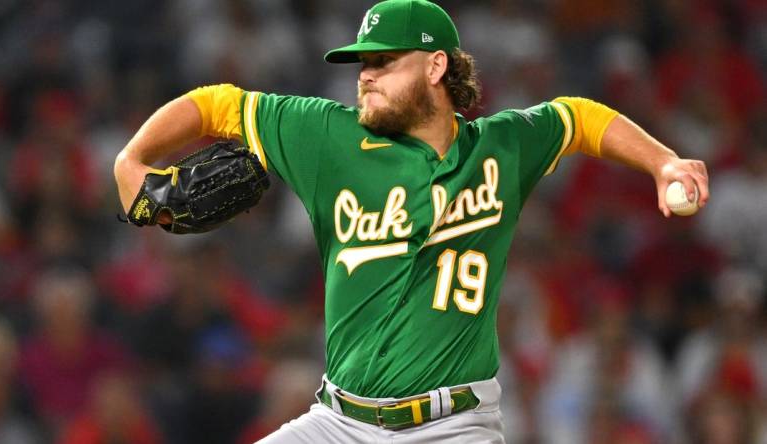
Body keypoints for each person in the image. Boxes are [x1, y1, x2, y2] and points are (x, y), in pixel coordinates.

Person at [113, 1, 709, 442]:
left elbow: (578, 117)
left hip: (455, 427)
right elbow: (219, 104)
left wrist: (662, 162)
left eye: (384, 61)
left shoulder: (501, 148)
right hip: (338, 422)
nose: (365, 75)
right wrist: (131, 161)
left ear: (435, 66)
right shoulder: (328, 136)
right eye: (361, 63)